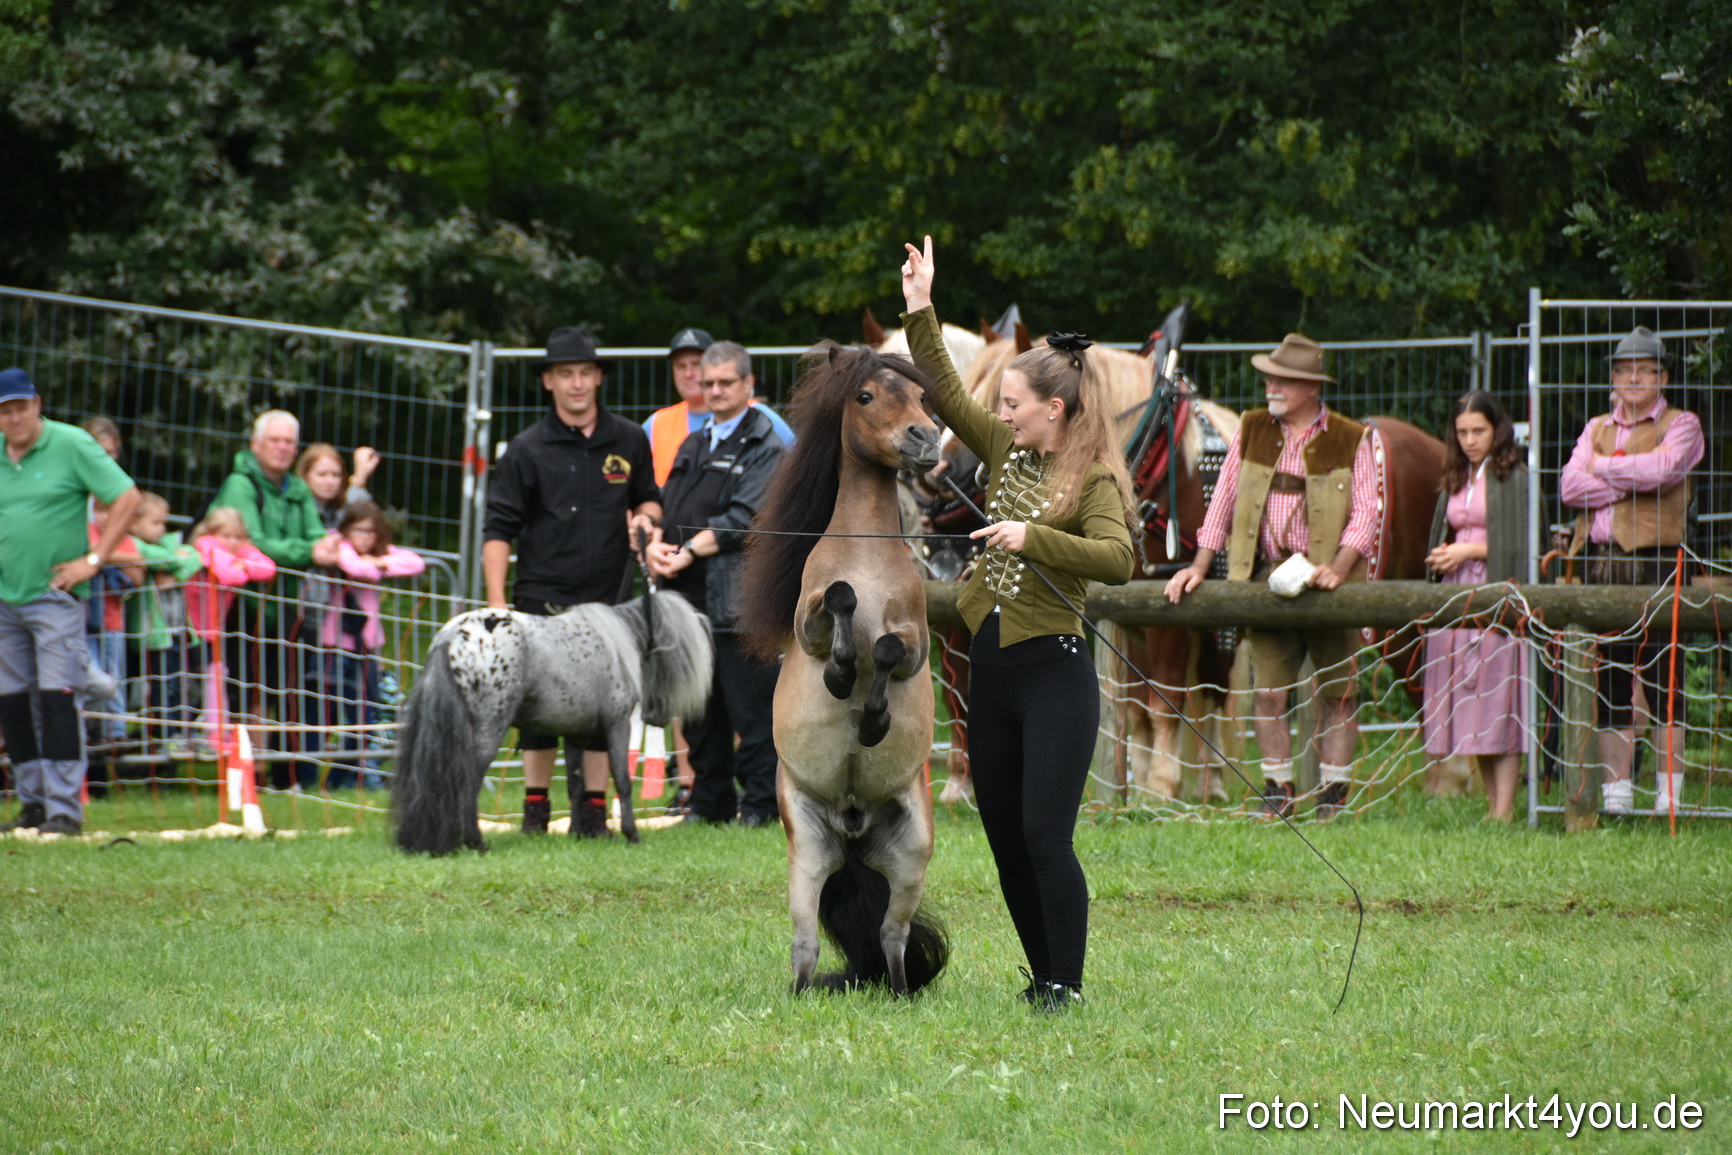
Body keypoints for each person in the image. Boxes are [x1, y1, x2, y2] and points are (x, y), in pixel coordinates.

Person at [898, 237, 1135, 1011]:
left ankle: (1068, 981)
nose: (999, 414)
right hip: (993, 669)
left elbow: (1118, 559)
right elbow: (944, 389)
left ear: (1053, 408)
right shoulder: (1005, 448)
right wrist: (921, 305)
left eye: (1012, 404)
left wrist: (1033, 538)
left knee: (1044, 835)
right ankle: (1043, 976)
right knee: (1003, 834)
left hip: (1055, 673)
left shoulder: (1093, 478)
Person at [1164, 332, 1379, 820]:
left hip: (1332, 584)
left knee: (1339, 693)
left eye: (1283, 380)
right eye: (1269, 378)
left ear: (1311, 388)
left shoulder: (1352, 437)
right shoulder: (1252, 429)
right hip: (1268, 580)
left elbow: (1367, 513)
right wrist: (1199, 566)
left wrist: (1338, 568)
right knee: (1267, 693)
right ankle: (1277, 792)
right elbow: (1222, 501)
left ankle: (1332, 798)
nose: (1271, 387)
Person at [483, 326, 661, 837]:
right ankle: (535, 811)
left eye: (585, 372)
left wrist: (646, 520)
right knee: (537, 708)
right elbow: (498, 530)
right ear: (549, 381)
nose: (577, 383)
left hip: (609, 600)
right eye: (566, 374)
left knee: (606, 705)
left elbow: (649, 498)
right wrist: (497, 604)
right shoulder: (525, 448)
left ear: (599, 377)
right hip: (541, 598)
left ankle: (593, 812)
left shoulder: (629, 438)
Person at [1560, 326, 1704, 816]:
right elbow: (1569, 486)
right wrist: (1630, 477)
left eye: (1645, 370)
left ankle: (1669, 798)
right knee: (1611, 678)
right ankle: (1616, 796)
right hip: (1602, 564)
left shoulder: (1684, 424)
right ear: (1614, 378)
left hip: (1660, 562)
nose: (1634, 378)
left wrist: (1602, 468)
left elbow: (1666, 471)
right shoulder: (1596, 426)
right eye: (1625, 371)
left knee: (1666, 679)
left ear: (1663, 378)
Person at [645, 341, 788, 827]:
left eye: (726, 382)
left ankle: (761, 805)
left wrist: (686, 550)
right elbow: (668, 504)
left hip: (738, 602)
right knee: (699, 711)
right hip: (685, 601)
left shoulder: (766, 444)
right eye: (708, 383)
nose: (715, 391)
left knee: (750, 710)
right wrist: (656, 544)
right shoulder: (693, 442)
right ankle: (709, 804)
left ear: (749, 385)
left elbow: (745, 519)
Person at [0, 368, 141, 835]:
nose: (14, 417)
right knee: (13, 705)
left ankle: (64, 811)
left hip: (55, 594)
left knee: (58, 700)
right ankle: (33, 806)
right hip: (4, 597)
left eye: (20, 407)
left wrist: (94, 560)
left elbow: (127, 497)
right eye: (4, 410)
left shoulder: (72, 444)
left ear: (37, 405)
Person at [208, 410, 340, 784]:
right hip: (244, 605)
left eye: (288, 442)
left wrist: (312, 548)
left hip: (289, 608)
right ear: (256, 444)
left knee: (288, 691)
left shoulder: (297, 488)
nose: (282, 448)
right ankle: (247, 774)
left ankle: (285, 775)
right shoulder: (240, 485)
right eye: (274, 440)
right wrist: (307, 552)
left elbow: (317, 536)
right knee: (248, 692)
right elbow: (251, 542)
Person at [1421, 392, 1531, 821]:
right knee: (1474, 702)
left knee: (1499, 696)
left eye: (1479, 431)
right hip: (1457, 596)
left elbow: (1522, 544)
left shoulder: (1514, 478)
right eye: (1462, 432)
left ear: (1496, 430)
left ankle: (1505, 809)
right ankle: (1492, 807)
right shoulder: (1457, 475)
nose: (1470, 440)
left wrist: (1466, 552)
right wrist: (1444, 554)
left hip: (1496, 594)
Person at [308, 503, 425, 790]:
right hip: (334, 645)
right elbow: (356, 568)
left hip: (367, 647)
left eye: (371, 532)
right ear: (347, 529)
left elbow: (415, 563)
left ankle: (338, 781)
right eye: (359, 530)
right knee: (324, 715)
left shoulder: (378, 552)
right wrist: (378, 564)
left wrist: (380, 561)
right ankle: (305, 778)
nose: (365, 537)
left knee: (364, 718)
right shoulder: (338, 544)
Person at [643, 327, 794, 485]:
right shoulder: (656, 424)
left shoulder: (758, 416)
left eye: (696, 364)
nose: (688, 374)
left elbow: (799, 464)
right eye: (681, 366)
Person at [127, 493, 205, 757]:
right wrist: (176, 563)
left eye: (164, 523)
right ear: (133, 524)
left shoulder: (168, 544)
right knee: (160, 686)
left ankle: (178, 733)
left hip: (177, 632)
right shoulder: (134, 545)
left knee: (179, 684)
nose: (162, 529)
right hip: (153, 635)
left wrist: (175, 574)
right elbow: (163, 557)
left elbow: (195, 556)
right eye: (155, 523)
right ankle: (163, 737)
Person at [295, 442, 379, 529]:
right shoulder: (296, 510)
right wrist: (358, 480)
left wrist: (360, 477)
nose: (330, 481)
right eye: (322, 474)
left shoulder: (332, 511)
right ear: (306, 476)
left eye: (336, 475)